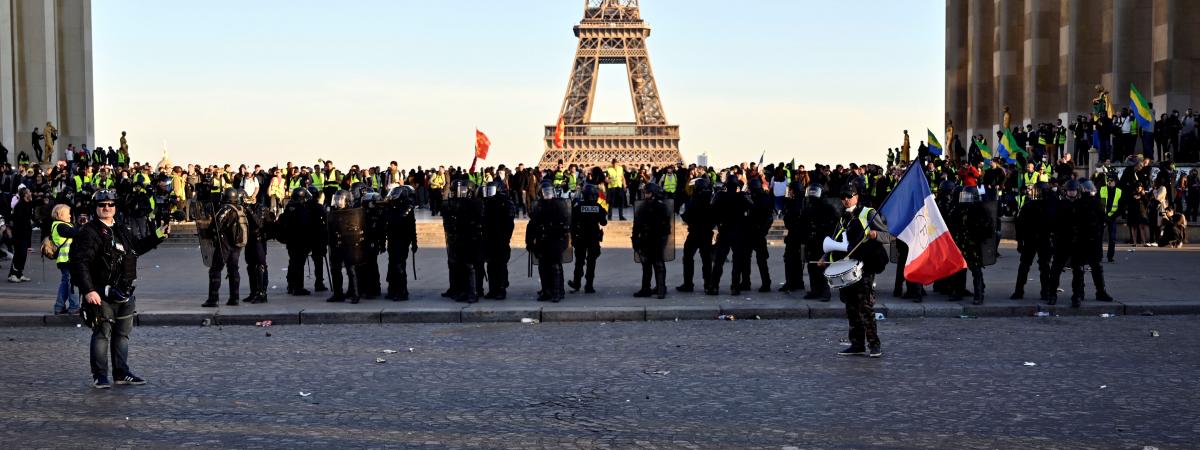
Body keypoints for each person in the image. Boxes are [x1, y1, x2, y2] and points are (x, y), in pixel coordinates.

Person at [71, 189, 168, 388]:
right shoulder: (88, 232)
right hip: (100, 292)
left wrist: (158, 236)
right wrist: (89, 290)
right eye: (102, 205)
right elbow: (80, 263)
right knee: (102, 333)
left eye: (110, 204)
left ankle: (121, 373)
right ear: (95, 208)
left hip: (124, 291)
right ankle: (100, 376)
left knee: (122, 335)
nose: (107, 208)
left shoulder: (121, 228)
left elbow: (136, 249)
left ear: (115, 207)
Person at [821, 184, 890, 358]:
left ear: (856, 196)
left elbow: (889, 235)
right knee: (851, 308)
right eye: (842, 197)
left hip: (864, 267)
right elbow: (836, 239)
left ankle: (875, 345)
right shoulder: (843, 218)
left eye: (849, 196)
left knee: (865, 307)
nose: (845, 200)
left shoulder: (869, 213)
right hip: (846, 268)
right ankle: (857, 344)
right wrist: (824, 257)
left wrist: (875, 234)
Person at [202, 188, 247, 307]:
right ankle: (234, 298)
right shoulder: (240, 209)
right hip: (237, 245)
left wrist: (207, 233)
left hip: (225, 243)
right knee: (233, 270)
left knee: (215, 270)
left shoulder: (225, 209)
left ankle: (213, 299)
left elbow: (216, 226)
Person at [708, 174, 752, 295]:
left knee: (719, 261)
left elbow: (712, 211)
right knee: (737, 262)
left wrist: (717, 224)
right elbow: (752, 208)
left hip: (725, 231)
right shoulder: (742, 196)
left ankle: (714, 286)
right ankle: (735, 287)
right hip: (738, 232)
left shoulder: (720, 196)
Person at [948, 187, 993, 304]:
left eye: (968, 196)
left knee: (976, 269)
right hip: (960, 243)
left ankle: (979, 294)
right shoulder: (957, 209)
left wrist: (980, 236)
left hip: (972, 244)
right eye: (964, 196)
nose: (965, 198)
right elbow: (951, 224)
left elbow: (988, 226)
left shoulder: (980, 209)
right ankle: (958, 291)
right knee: (959, 268)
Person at [527, 181, 569, 302]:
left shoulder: (560, 204)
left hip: (556, 239)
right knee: (543, 266)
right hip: (543, 239)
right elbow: (532, 224)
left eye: (549, 192)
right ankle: (546, 291)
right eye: (545, 192)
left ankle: (558, 291)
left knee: (555, 265)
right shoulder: (538, 205)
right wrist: (529, 241)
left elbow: (565, 223)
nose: (547, 195)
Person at [1011, 182, 1053, 301]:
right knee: (1029, 266)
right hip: (1033, 239)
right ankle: (1022, 291)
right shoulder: (1030, 206)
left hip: (1040, 239)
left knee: (1039, 266)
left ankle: (1042, 291)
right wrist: (1020, 241)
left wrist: (1020, 241)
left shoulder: (1041, 205)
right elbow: (1020, 225)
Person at [632, 183, 672, 299]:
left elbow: (638, 224)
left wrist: (636, 238)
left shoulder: (652, 206)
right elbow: (637, 224)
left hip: (652, 238)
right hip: (653, 238)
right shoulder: (660, 205)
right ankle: (659, 289)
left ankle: (651, 289)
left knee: (651, 263)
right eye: (645, 192)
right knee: (652, 263)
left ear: (653, 193)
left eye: (647, 192)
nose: (645, 194)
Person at [799, 184, 838, 301]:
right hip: (810, 241)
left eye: (814, 192)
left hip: (823, 241)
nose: (812, 194)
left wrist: (824, 230)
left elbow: (835, 224)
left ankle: (826, 292)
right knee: (811, 266)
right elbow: (803, 223)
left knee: (823, 266)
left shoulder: (828, 208)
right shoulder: (807, 207)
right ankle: (815, 290)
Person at [678, 177, 714, 293]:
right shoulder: (711, 199)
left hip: (694, 233)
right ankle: (708, 284)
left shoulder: (694, 199)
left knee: (688, 258)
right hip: (706, 233)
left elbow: (688, 216)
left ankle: (688, 284)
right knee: (706, 260)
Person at [568, 183, 606, 294]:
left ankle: (576, 283)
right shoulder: (597, 207)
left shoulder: (578, 206)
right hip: (593, 238)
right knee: (591, 262)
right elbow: (604, 222)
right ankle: (589, 286)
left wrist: (573, 238)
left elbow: (572, 223)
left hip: (580, 238)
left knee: (579, 262)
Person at [325, 190, 361, 304]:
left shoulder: (351, 212)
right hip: (335, 245)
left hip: (348, 245)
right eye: (336, 198)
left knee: (351, 270)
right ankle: (338, 293)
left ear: (346, 200)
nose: (337, 201)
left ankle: (355, 294)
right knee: (335, 269)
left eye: (340, 198)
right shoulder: (332, 212)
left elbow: (355, 228)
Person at [482, 180, 516, 299]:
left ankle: (501, 289)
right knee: (491, 265)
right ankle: (492, 289)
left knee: (500, 265)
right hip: (489, 238)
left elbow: (509, 224)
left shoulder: (506, 203)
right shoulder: (486, 203)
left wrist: (505, 238)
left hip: (501, 239)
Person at [278, 188, 314, 296]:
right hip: (300, 240)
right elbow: (305, 224)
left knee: (293, 262)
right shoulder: (300, 208)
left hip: (291, 241)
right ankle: (298, 287)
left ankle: (291, 285)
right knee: (298, 264)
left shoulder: (289, 207)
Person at [384, 186, 417, 301]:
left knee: (399, 266)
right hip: (393, 240)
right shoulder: (392, 207)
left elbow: (409, 225)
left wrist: (414, 242)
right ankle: (392, 289)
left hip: (402, 241)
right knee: (392, 265)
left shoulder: (407, 207)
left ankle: (402, 291)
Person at [744, 179, 775, 292]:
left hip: (756, 232)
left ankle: (763, 283)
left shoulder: (758, 198)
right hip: (754, 232)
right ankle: (751, 282)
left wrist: (762, 230)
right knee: (751, 259)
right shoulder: (762, 197)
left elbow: (768, 218)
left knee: (757, 259)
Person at [49, 204, 80, 314]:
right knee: (73, 283)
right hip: (68, 259)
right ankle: (74, 307)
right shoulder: (61, 226)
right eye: (68, 214)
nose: (70, 216)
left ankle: (59, 306)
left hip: (64, 260)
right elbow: (76, 233)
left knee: (65, 282)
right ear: (61, 214)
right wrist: (83, 226)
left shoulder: (57, 225)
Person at [242, 191, 272, 304]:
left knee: (261, 265)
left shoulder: (262, 208)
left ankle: (262, 293)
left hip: (259, 239)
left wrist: (248, 209)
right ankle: (253, 292)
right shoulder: (245, 209)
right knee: (250, 266)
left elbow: (258, 223)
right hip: (249, 239)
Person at [6, 187, 32, 283]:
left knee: (23, 255)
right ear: (25, 194)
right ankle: (12, 275)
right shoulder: (20, 205)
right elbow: (18, 222)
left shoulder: (28, 204)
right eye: (29, 192)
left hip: (25, 234)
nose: (30, 193)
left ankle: (19, 274)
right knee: (18, 254)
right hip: (19, 235)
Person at [1098, 176, 1123, 262]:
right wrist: (1103, 217)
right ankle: (1099, 256)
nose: (1109, 182)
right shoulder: (1102, 189)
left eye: (1111, 180)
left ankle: (1110, 256)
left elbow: (1120, 208)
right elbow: (1098, 204)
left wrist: (1111, 217)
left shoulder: (1119, 192)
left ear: (1115, 182)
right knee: (1099, 237)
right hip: (1102, 217)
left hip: (1112, 217)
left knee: (1112, 238)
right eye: (1108, 180)